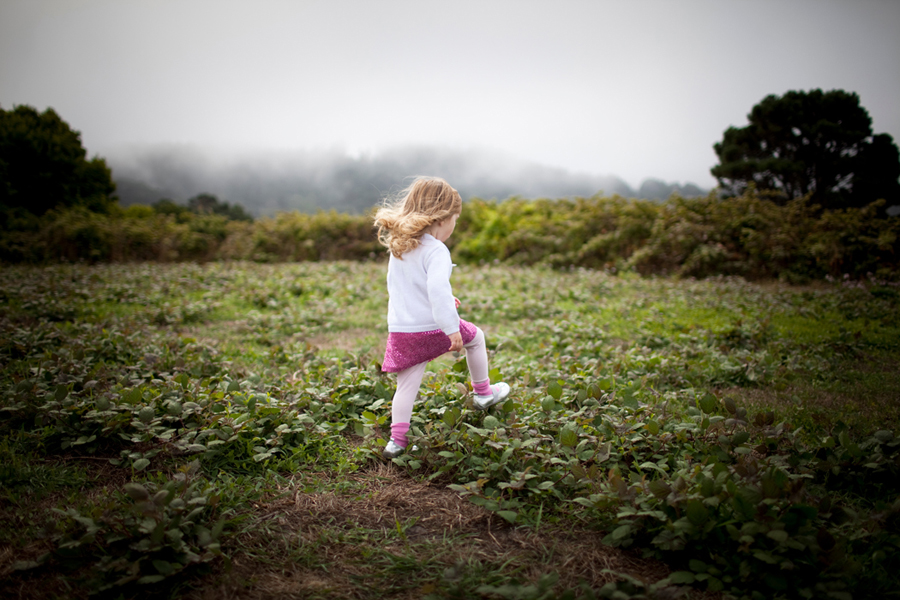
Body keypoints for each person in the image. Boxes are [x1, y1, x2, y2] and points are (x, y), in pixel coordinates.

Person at [373, 176, 510, 459]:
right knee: (477, 338)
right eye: (454, 220)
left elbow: (409, 289)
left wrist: (447, 302)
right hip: (433, 327)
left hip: (402, 330)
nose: (453, 227)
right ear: (442, 218)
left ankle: (396, 442)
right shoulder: (436, 250)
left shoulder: (399, 246)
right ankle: (483, 393)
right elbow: (436, 290)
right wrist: (450, 327)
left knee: (406, 385)